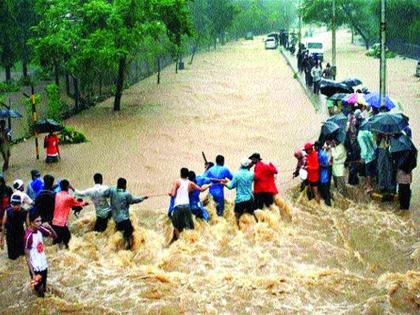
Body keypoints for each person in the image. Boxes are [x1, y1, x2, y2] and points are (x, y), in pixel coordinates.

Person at [103, 178, 148, 249]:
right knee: (130, 234)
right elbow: (133, 201)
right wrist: (142, 198)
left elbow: (104, 194)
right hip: (125, 219)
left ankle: (117, 248)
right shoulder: (126, 194)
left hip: (116, 219)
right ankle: (129, 249)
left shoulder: (112, 189)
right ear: (124, 185)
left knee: (119, 234)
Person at [169, 168, 210, 243]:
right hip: (187, 207)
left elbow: (173, 194)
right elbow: (201, 189)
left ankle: (179, 243)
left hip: (178, 207)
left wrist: (170, 193)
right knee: (190, 227)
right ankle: (193, 242)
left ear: (180, 174)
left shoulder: (177, 182)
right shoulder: (190, 183)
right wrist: (209, 185)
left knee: (176, 226)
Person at [24, 211, 56, 297]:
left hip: (44, 265)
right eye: (37, 221)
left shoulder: (41, 229)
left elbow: (55, 236)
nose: (40, 223)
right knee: (39, 292)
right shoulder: (28, 237)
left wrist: (50, 227)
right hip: (36, 268)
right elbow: (27, 257)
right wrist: (33, 275)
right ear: (31, 223)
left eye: (40, 220)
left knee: (44, 288)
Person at [52, 179, 88, 249]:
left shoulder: (56, 195)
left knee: (57, 240)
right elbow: (77, 204)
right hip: (61, 223)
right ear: (68, 187)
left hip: (54, 222)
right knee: (68, 238)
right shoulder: (69, 197)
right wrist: (85, 203)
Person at [223, 158, 255, 227]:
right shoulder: (251, 174)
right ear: (248, 165)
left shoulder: (237, 174)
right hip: (249, 199)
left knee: (236, 218)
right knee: (252, 216)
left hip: (239, 200)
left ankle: (238, 231)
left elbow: (230, 186)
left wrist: (224, 183)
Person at [0, 194, 29, 259]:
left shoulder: (24, 212)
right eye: (13, 205)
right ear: (11, 204)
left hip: (20, 236)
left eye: (17, 205)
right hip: (10, 237)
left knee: (22, 255)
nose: (15, 207)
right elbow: (3, 225)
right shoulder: (7, 211)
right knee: (12, 257)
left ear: (20, 204)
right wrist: (1, 240)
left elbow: (28, 227)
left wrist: (28, 239)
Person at [357, 127, 376, 193]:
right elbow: (373, 143)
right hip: (373, 154)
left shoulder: (360, 136)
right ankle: (367, 184)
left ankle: (369, 187)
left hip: (368, 157)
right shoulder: (367, 132)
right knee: (369, 172)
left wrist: (362, 158)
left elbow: (364, 149)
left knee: (368, 173)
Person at [314, 142, 331, 206]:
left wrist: (319, 165)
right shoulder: (318, 153)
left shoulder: (323, 154)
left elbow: (327, 166)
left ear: (318, 147)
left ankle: (329, 205)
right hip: (320, 176)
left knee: (326, 193)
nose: (314, 148)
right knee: (322, 193)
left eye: (315, 147)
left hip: (324, 177)